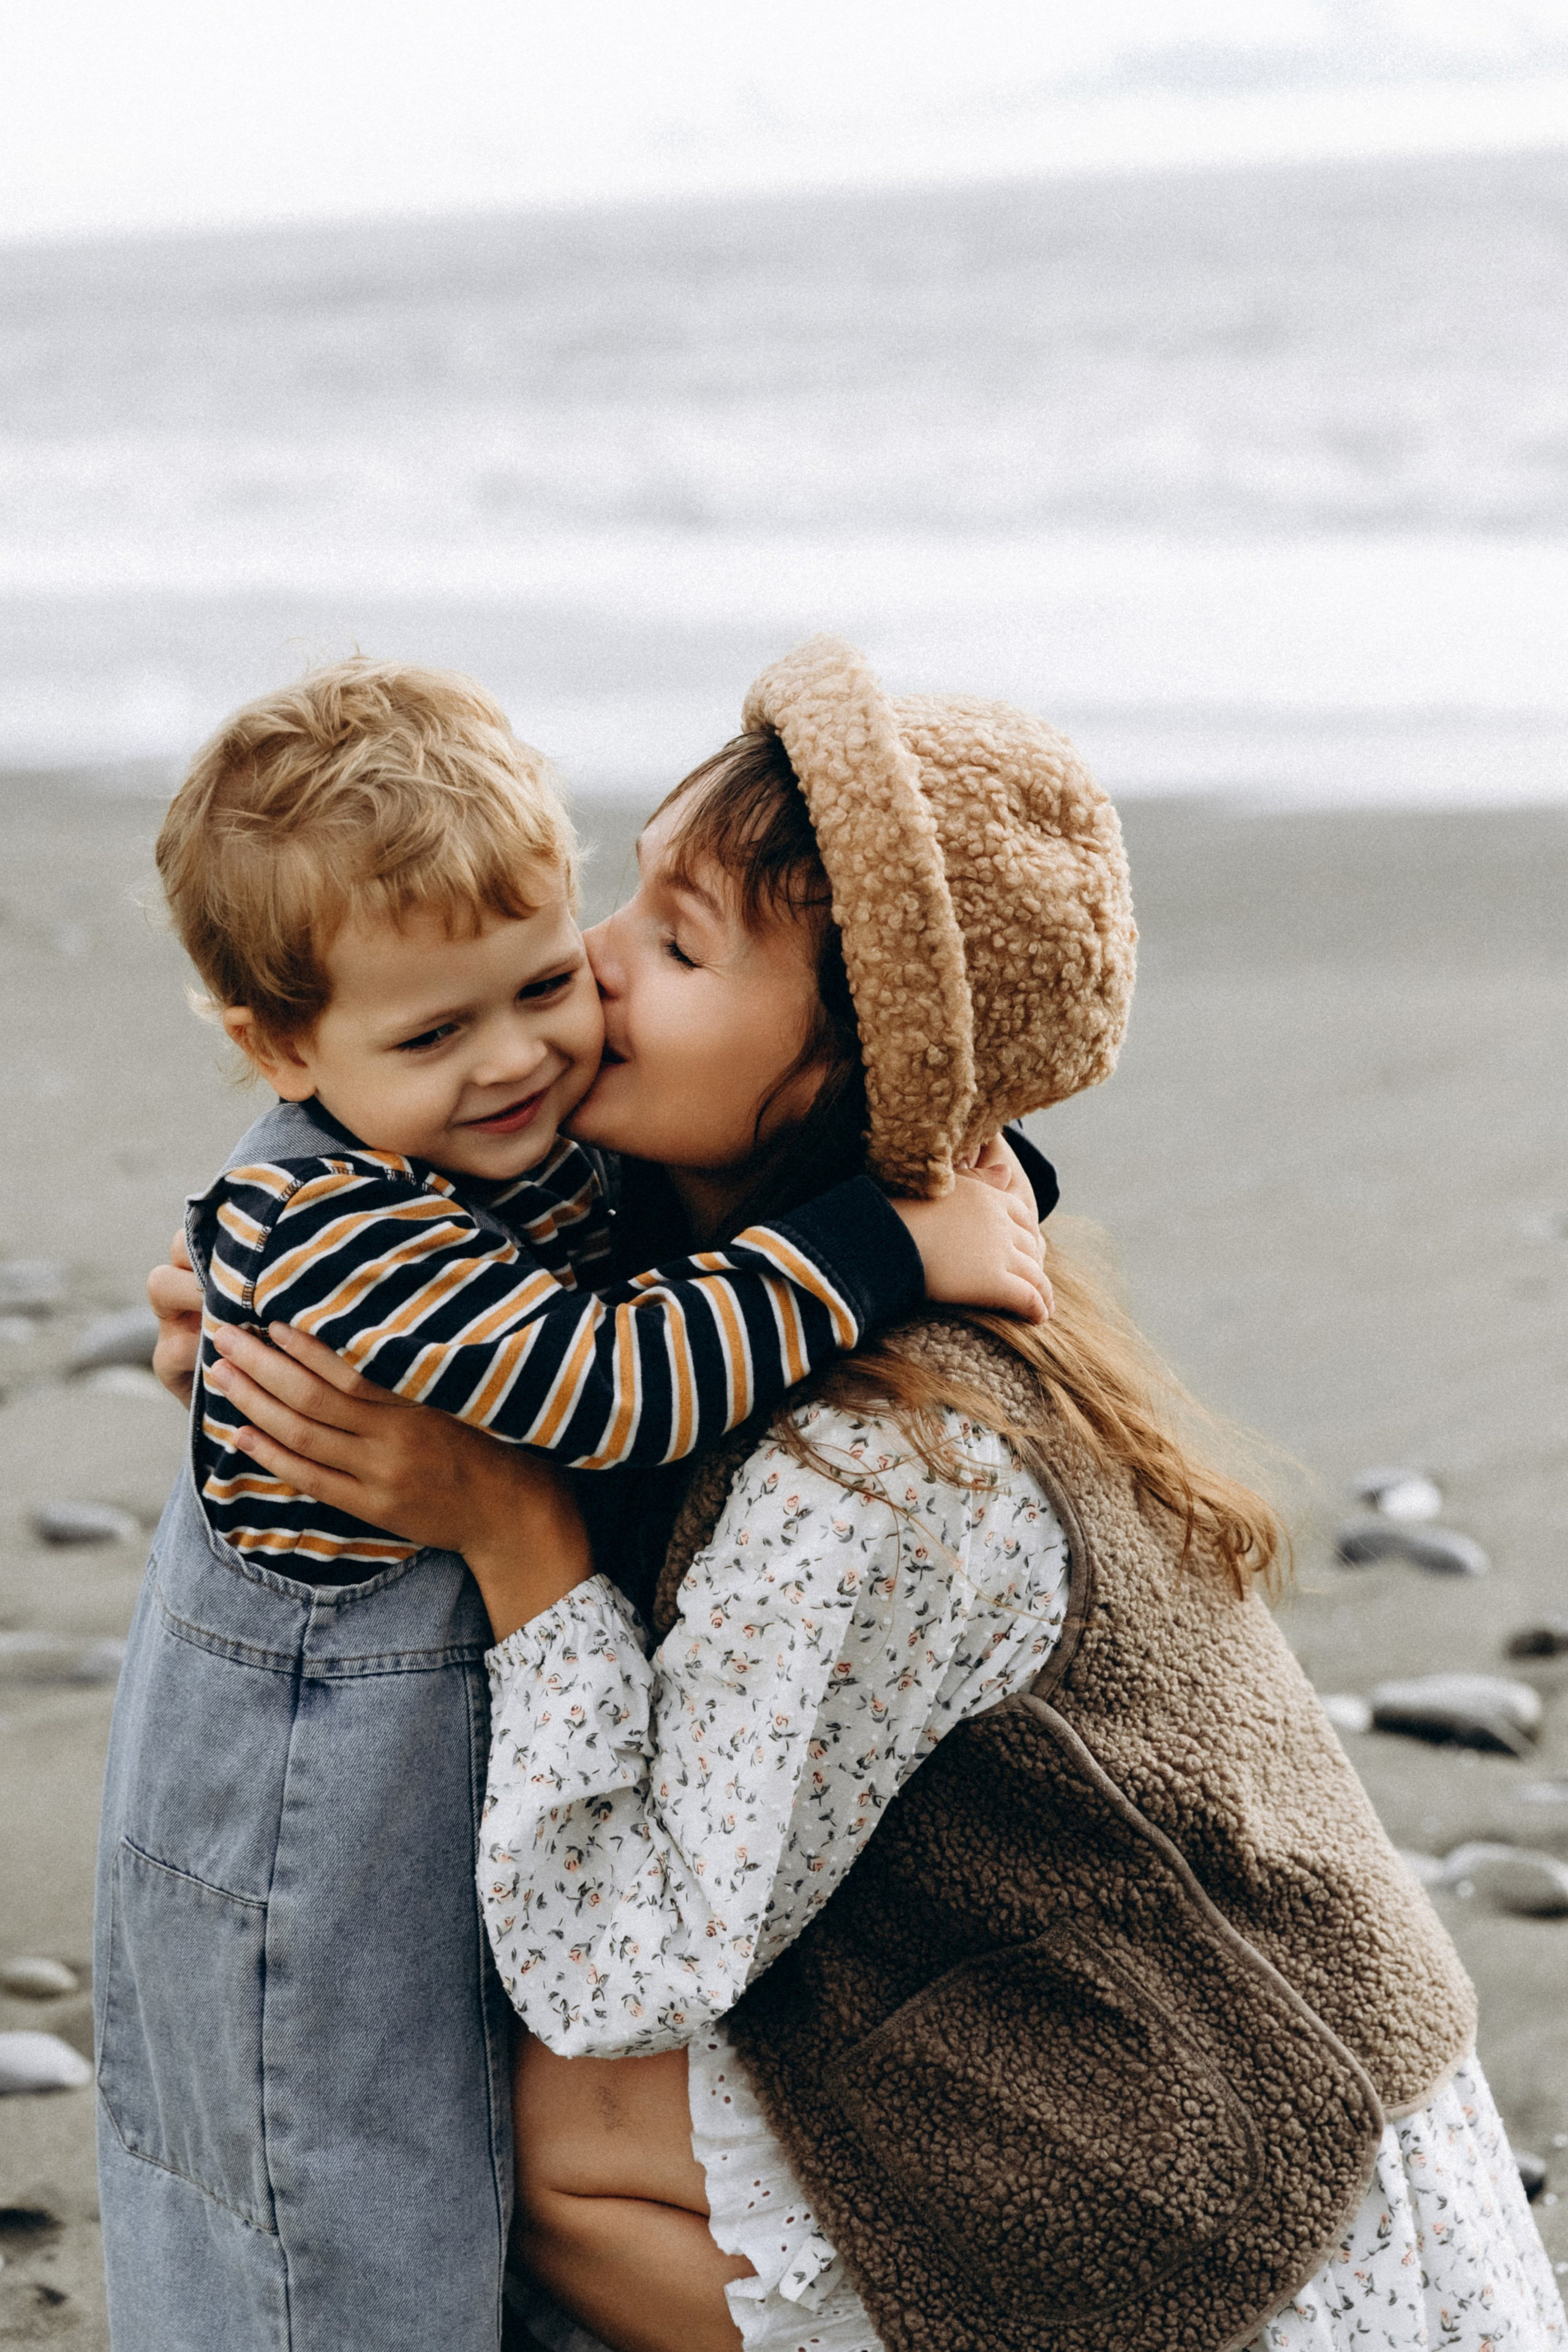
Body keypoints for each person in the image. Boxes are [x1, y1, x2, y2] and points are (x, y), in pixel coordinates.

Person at [162, 639, 1566, 2352]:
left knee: (527, 2127)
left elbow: (619, 1967)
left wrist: (512, 1537)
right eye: (632, 902)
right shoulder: (745, 1251)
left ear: (843, 1077)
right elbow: (462, 1260)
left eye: (672, 948)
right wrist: (276, 1300)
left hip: (1237, 2186)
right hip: (1121, 2027)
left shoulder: (888, 1468)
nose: (585, 976)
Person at [100, 657, 1050, 2352]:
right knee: (324, 2192)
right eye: (434, 1033)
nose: (523, 1058)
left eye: (545, 981)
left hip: (431, 1778)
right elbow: (620, 1384)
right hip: (299, 1820)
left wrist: (965, 1162)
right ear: (281, 1046)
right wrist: (887, 1245)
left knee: (441, 2163)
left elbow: (737, 1186)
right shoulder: (335, 1235)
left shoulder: (487, 1149)